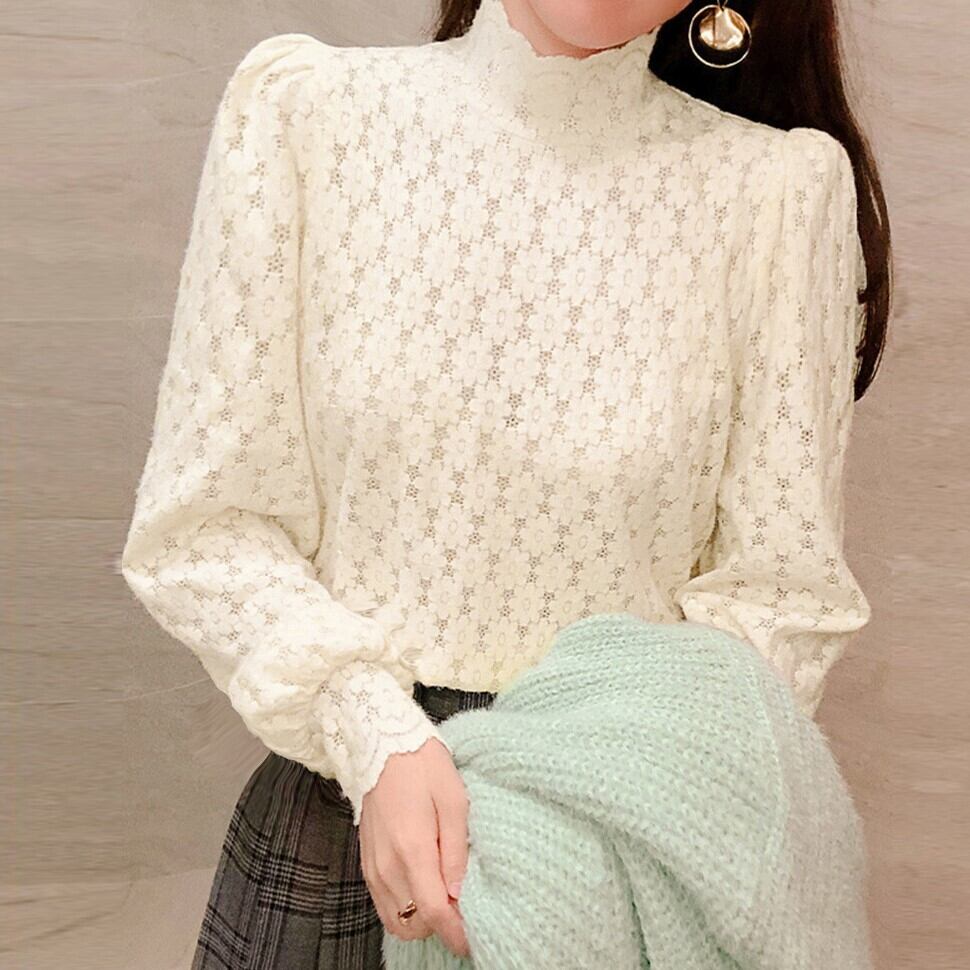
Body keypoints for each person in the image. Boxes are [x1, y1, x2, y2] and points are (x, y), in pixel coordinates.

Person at [119, 0, 892, 967]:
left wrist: (553, 802)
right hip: (338, 835)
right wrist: (377, 738)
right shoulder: (307, 115)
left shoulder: (776, 193)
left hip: (608, 869)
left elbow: (780, 598)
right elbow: (204, 528)